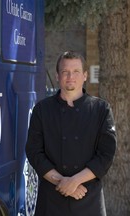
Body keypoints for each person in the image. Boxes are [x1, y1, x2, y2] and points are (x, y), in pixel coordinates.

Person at [25, 51, 117, 216]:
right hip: (51, 201)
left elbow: (106, 154)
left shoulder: (101, 109)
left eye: (76, 72)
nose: (70, 77)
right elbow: (34, 152)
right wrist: (64, 183)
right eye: (65, 72)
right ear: (57, 76)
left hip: (89, 200)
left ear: (85, 76)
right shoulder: (42, 109)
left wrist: (75, 181)